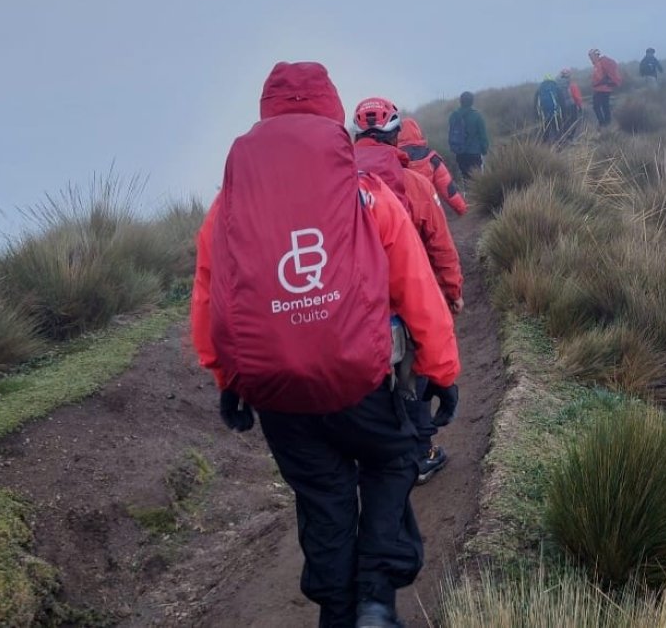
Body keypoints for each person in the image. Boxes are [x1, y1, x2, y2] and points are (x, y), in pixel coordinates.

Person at [191, 61, 461, 628]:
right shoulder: (367, 194)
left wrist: (228, 380)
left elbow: (210, 297)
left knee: (322, 496)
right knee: (392, 462)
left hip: (278, 396)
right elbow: (413, 284)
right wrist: (441, 369)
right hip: (363, 383)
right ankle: (375, 601)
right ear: (333, 113)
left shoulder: (227, 209)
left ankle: (338, 614)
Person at [354, 97, 464, 486]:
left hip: (351, 311)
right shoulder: (414, 184)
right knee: (412, 379)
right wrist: (452, 291)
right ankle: (420, 454)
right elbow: (440, 245)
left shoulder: (336, 184)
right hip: (405, 301)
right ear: (396, 135)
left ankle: (373, 459)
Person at [398, 117, 468, 215]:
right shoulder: (432, 158)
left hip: (404, 212)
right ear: (418, 132)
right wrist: (462, 209)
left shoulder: (393, 158)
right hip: (429, 212)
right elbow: (448, 188)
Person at [447, 91, 489, 184]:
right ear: (472, 102)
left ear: (460, 101)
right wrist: (484, 150)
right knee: (476, 182)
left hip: (460, 153)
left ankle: (464, 196)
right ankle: (474, 197)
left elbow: (451, 133)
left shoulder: (454, 116)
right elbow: (483, 136)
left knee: (464, 179)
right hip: (475, 154)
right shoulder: (477, 116)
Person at [588, 48, 623, 127]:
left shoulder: (600, 64)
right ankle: (607, 123)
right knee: (605, 106)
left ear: (595, 55)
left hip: (601, 88)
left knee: (596, 106)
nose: (590, 58)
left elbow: (600, 77)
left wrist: (596, 84)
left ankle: (603, 123)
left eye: (591, 56)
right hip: (606, 88)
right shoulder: (601, 63)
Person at [534, 75, 563, 144]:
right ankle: (560, 143)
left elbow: (536, 103)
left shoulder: (540, 89)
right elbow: (561, 100)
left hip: (544, 113)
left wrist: (537, 114)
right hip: (555, 112)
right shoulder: (555, 86)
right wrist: (563, 112)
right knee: (557, 128)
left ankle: (545, 145)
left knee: (546, 129)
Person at [558, 68, 583, 139]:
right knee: (574, 121)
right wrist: (580, 106)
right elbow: (577, 96)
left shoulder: (557, 85)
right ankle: (571, 137)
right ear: (569, 75)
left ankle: (565, 137)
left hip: (562, 107)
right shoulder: (571, 84)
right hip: (571, 105)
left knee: (565, 122)